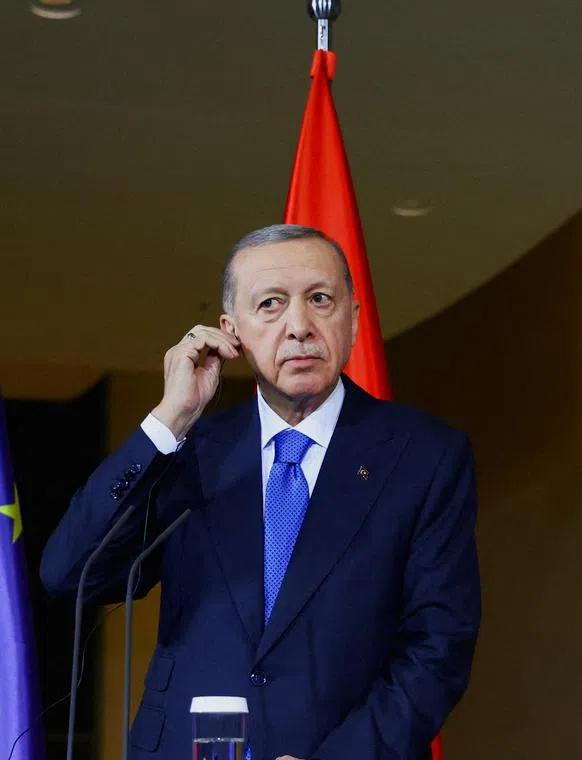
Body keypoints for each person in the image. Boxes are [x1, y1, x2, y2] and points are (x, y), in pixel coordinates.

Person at [41, 224, 481, 760]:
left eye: (320, 299)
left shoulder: (424, 456)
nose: (300, 326)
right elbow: (70, 573)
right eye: (271, 304)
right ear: (231, 331)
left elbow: (438, 647)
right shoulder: (194, 450)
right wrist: (168, 420)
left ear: (355, 319)